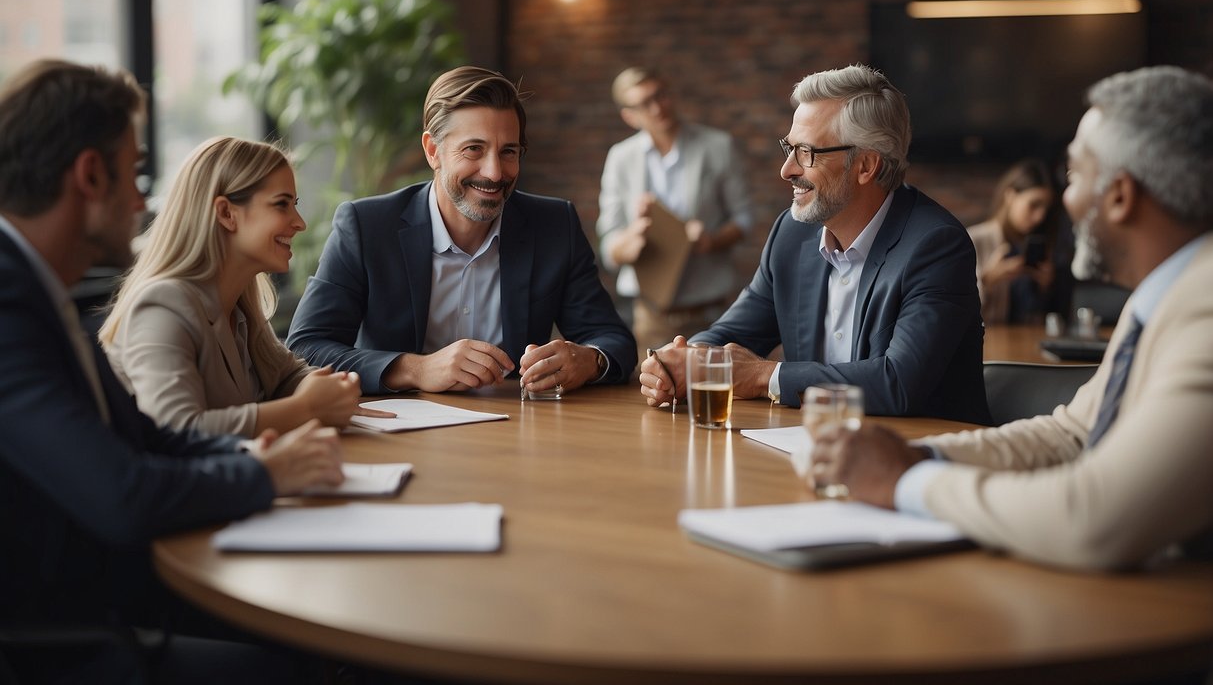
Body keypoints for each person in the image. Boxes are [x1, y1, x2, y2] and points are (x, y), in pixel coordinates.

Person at [0, 59, 345, 682]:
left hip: (113, 591)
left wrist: (261, 463)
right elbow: (122, 495)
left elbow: (146, 436)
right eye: (133, 173)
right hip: (63, 639)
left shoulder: (35, 288)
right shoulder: (9, 304)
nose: (142, 198)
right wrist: (265, 475)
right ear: (89, 174)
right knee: (308, 660)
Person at [810, 65, 1213, 571]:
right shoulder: (1163, 296)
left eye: (1073, 175)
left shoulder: (1204, 308)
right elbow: (1068, 435)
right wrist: (917, 456)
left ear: (1119, 196)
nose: (1064, 202)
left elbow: (1096, 519)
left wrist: (905, 482)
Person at [640, 64, 989, 423]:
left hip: (923, 459)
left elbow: (899, 382)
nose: (787, 170)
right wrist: (682, 361)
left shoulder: (936, 246)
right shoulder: (791, 234)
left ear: (866, 165)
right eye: (788, 148)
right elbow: (733, 334)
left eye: (806, 152)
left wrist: (765, 376)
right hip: (811, 447)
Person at [287, 65, 637, 396]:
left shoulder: (554, 224)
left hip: (514, 433)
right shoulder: (366, 226)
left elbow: (611, 339)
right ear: (433, 151)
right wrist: (416, 369)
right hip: (397, 433)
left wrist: (589, 361)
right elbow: (305, 348)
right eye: (474, 149)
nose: (495, 172)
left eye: (509, 152)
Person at [98, 136, 389, 436]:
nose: (299, 222)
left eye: (295, 204)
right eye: (282, 204)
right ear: (226, 213)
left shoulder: (239, 304)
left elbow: (287, 376)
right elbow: (176, 429)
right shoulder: (162, 305)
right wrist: (308, 408)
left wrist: (329, 389)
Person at [597, 67, 754, 352]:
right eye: (644, 103)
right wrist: (631, 239)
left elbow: (743, 218)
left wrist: (712, 240)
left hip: (711, 312)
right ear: (629, 116)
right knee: (650, 392)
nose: (657, 108)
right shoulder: (621, 158)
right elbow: (609, 245)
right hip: (650, 315)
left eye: (661, 95)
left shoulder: (718, 146)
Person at [967, 158, 1059, 324]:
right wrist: (986, 280)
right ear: (1010, 196)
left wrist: (1045, 287)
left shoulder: (1035, 245)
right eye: (1034, 205)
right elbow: (953, 311)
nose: (1040, 217)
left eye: (1046, 208)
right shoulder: (974, 240)